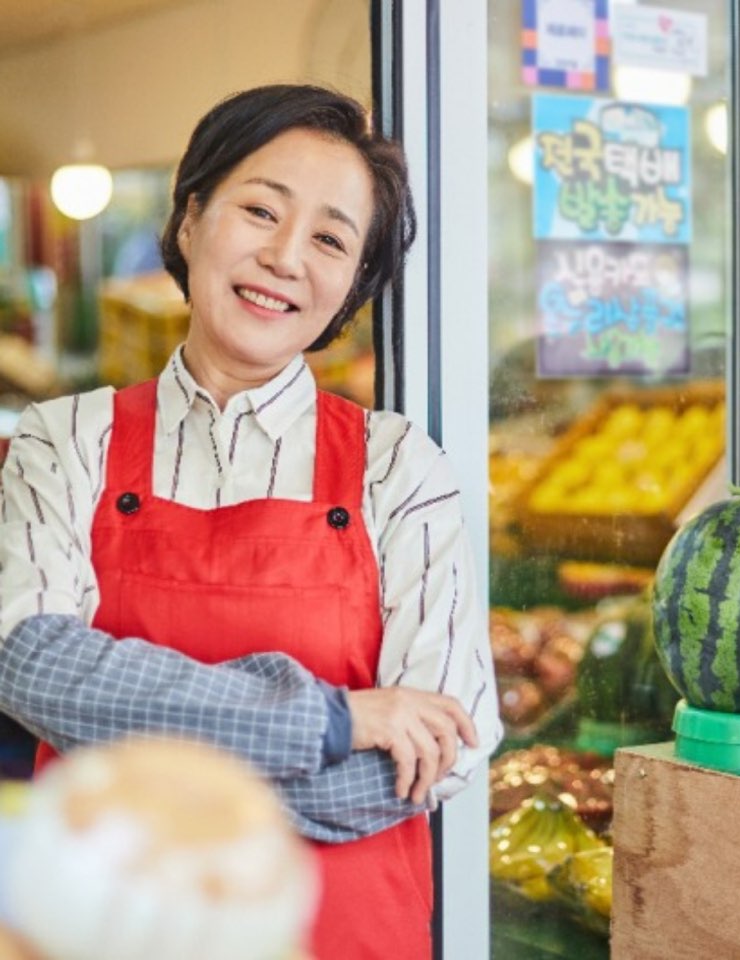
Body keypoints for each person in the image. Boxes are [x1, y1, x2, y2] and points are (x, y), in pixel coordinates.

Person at [0, 84, 502, 959]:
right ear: (192, 218)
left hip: (341, 934)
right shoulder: (64, 439)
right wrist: (334, 724)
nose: (284, 257)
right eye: (260, 210)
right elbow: (32, 665)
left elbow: (441, 749)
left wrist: (141, 772)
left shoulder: (399, 467)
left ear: (353, 283)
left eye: (330, 239)